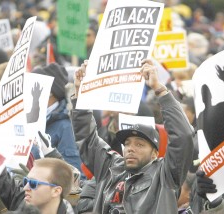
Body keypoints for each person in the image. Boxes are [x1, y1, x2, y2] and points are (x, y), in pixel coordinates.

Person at [71, 59, 194, 213]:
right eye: (127, 143)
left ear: (155, 153)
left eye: (140, 144)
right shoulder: (110, 169)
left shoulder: (165, 175)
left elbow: (183, 136)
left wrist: (160, 91)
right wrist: (80, 93)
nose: (130, 148)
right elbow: (87, 138)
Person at [31, 63, 83, 174]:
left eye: (34, 85)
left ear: (49, 93)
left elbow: (74, 175)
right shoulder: (31, 119)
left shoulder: (65, 127)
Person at [0, 158, 73, 214]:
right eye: (26, 181)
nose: (25, 188)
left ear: (56, 191)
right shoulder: (24, 203)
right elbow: (2, 182)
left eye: (33, 183)